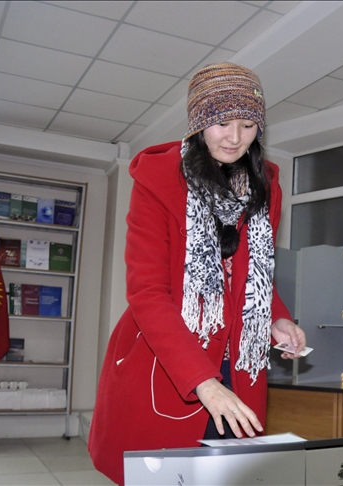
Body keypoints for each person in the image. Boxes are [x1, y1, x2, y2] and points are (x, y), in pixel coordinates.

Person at [88, 62, 306, 485]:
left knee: (227, 476)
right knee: (164, 476)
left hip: (237, 367)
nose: (235, 137)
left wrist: (276, 318)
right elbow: (148, 293)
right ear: (198, 123)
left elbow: (253, 274)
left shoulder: (265, 187)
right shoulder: (158, 181)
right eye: (222, 123)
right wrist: (203, 381)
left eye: (247, 125)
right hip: (171, 362)